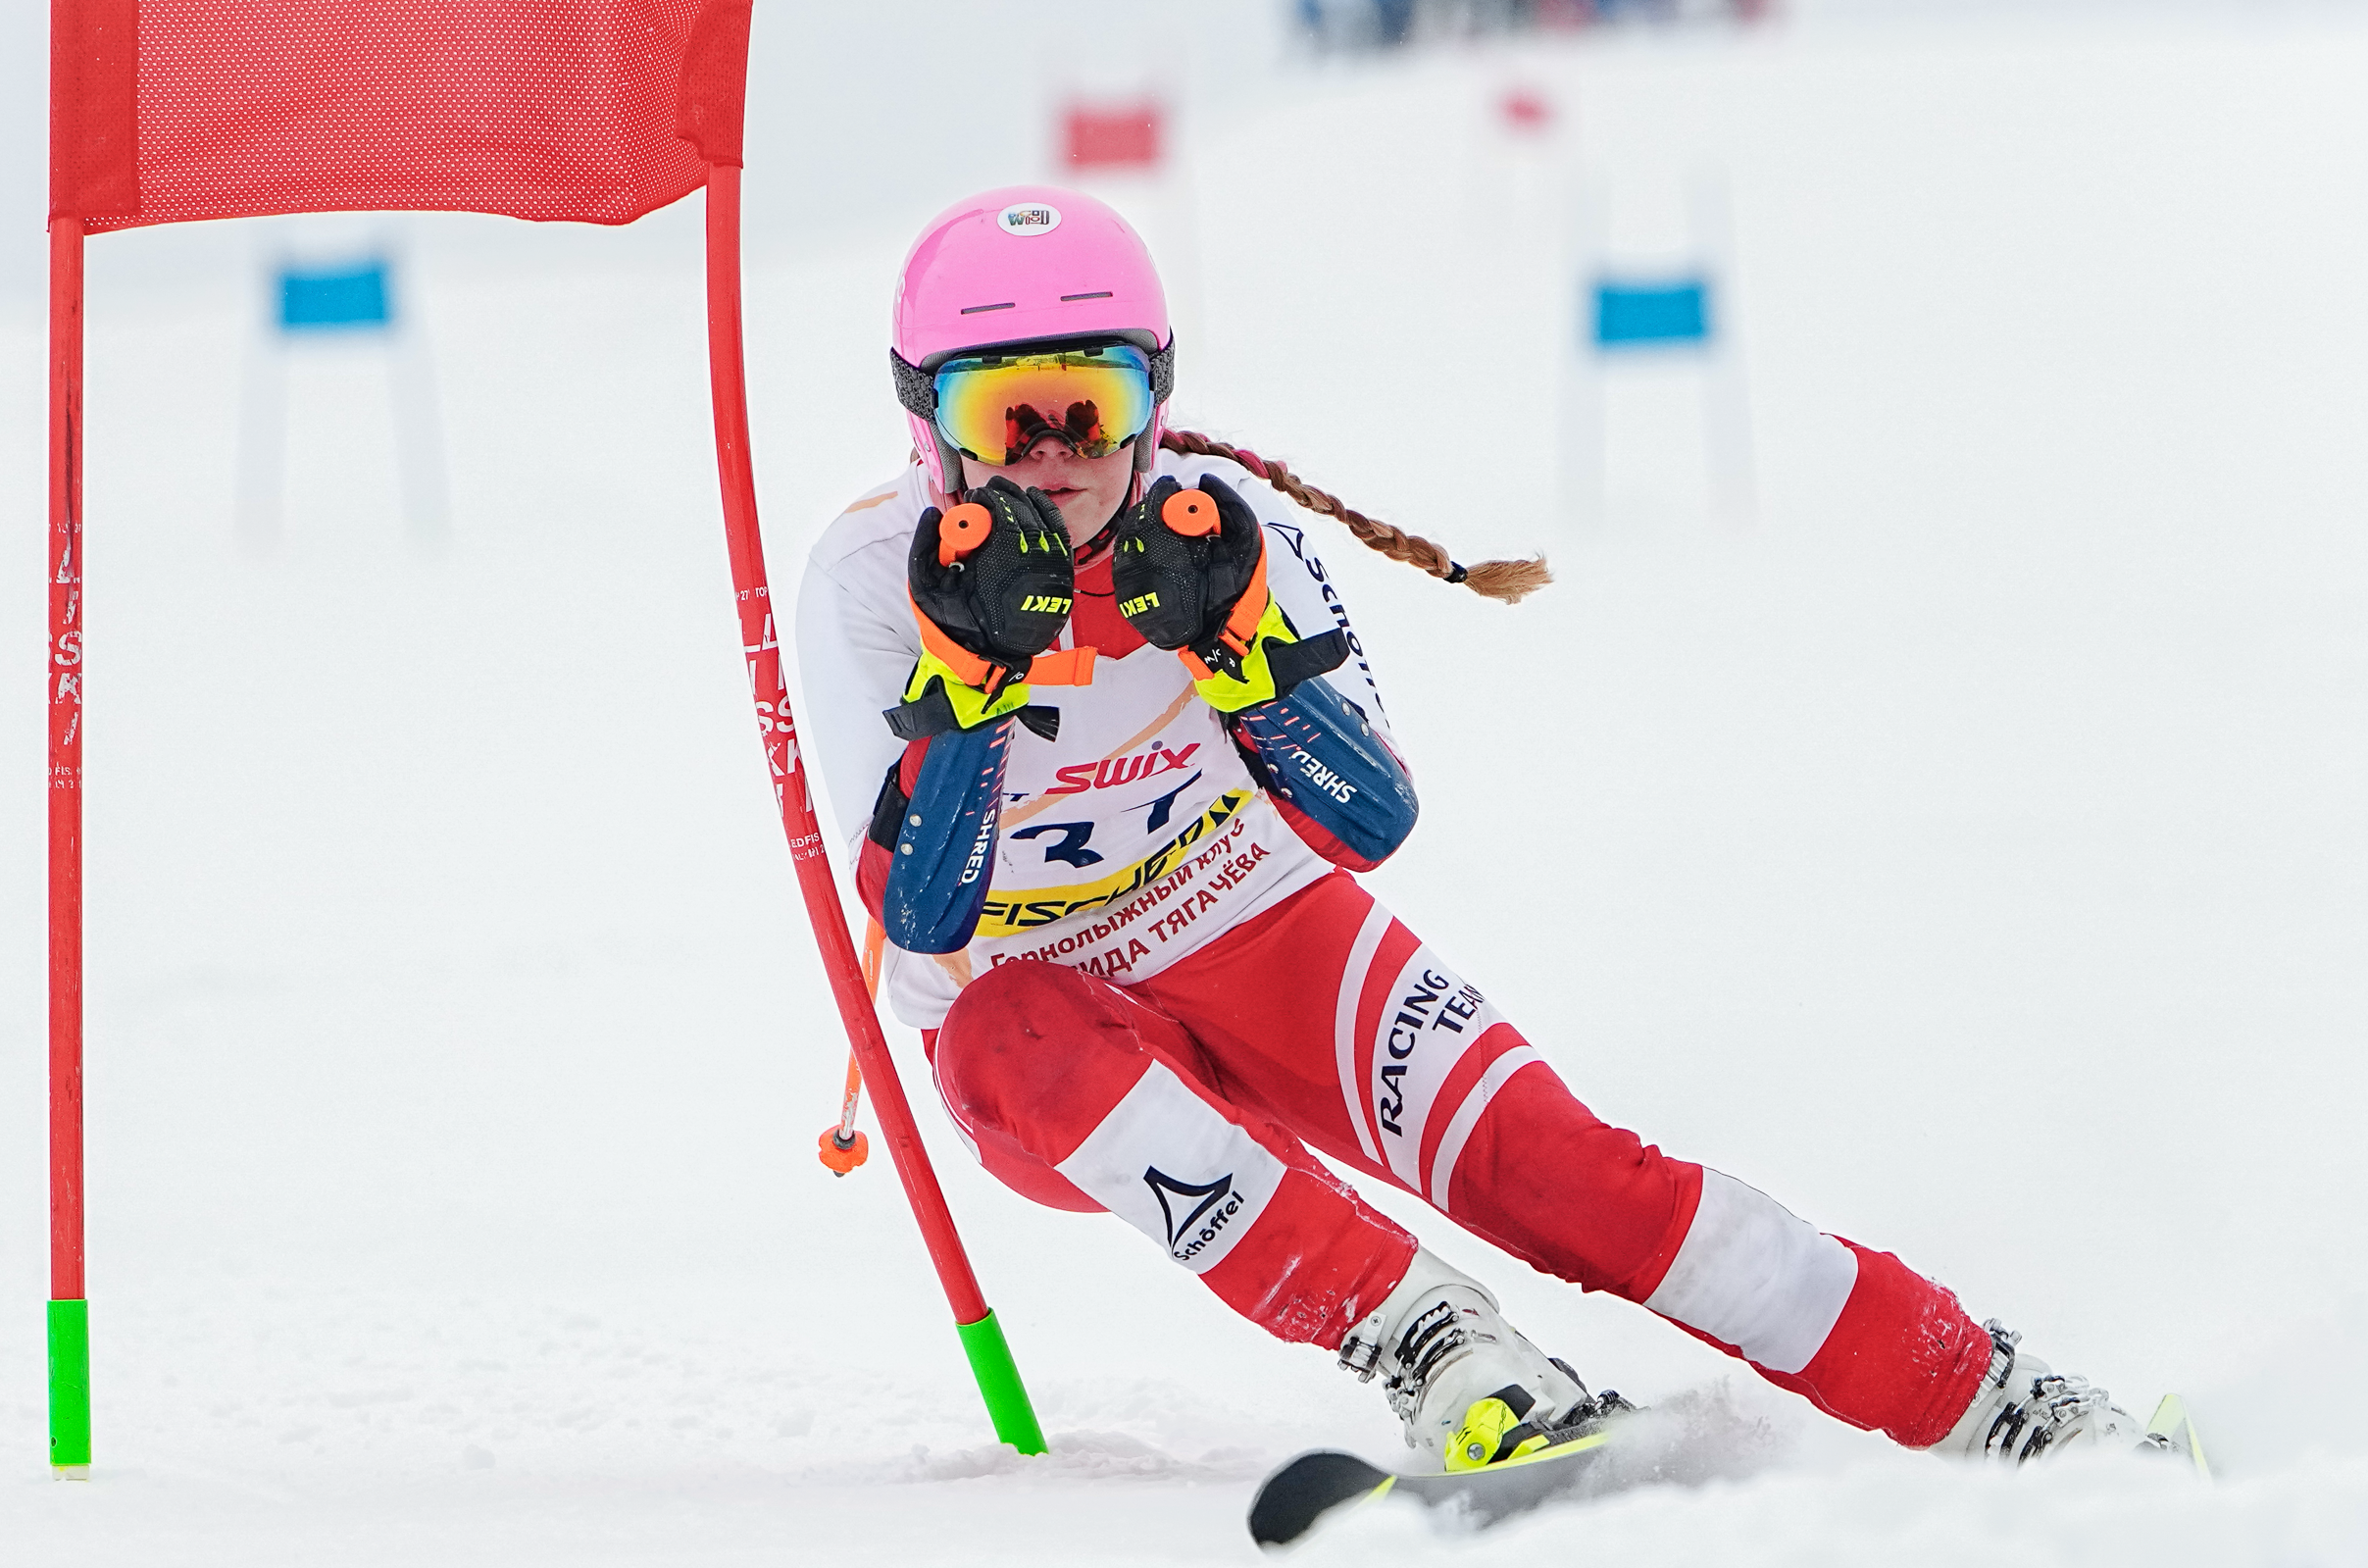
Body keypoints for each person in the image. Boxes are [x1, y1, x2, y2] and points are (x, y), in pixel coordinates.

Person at [796, 185, 2145, 1472]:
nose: (1054, 455)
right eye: (1003, 409)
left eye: (1092, 402)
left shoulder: (1229, 530)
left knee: (1568, 1181)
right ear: (929, 424)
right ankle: (1447, 1357)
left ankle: (1997, 1402)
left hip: (1259, 928)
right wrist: (970, 686)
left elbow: (1370, 820)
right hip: (1049, 1033)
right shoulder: (868, 579)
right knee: (1003, 1031)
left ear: (1157, 395)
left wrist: (1237, 646)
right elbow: (922, 917)